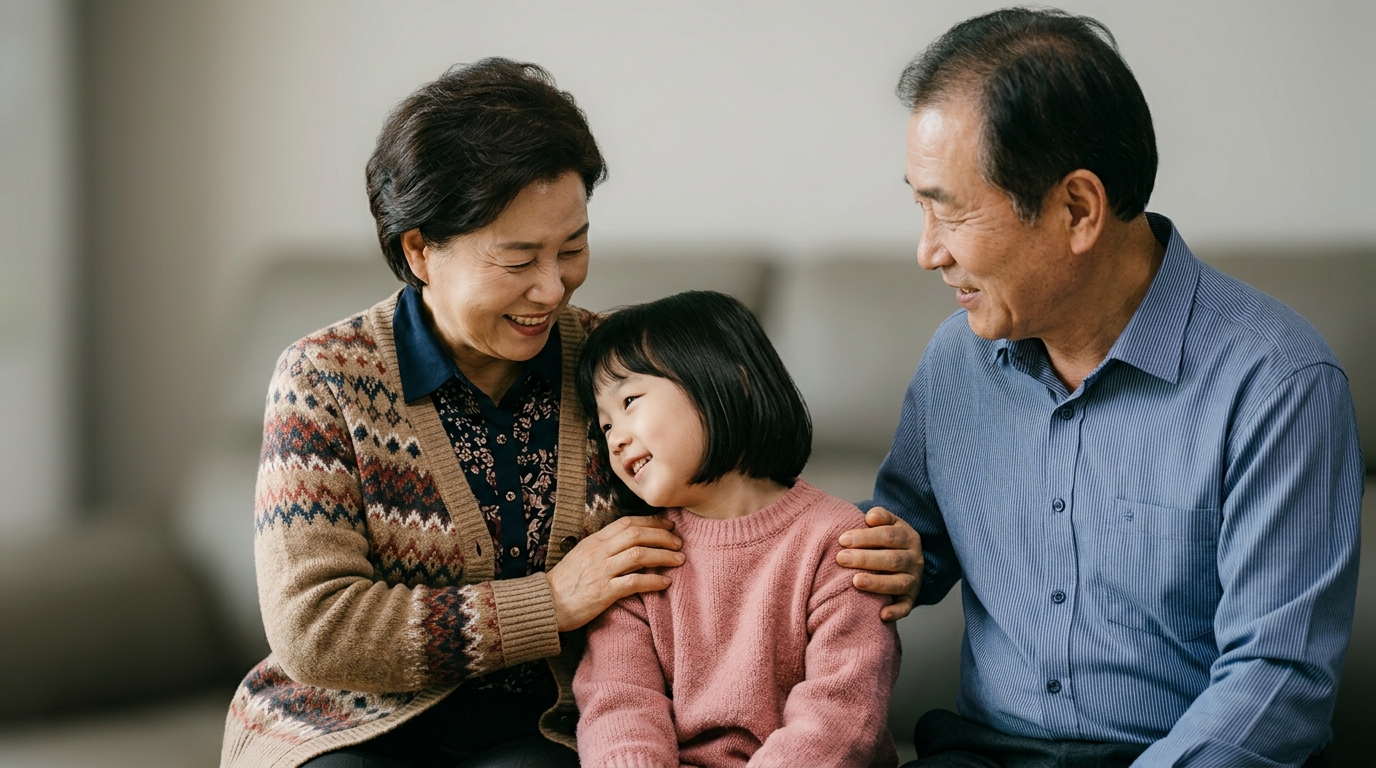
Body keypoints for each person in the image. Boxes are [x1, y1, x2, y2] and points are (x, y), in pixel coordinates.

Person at [219, 59, 923, 768]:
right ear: (420, 250)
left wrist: (876, 546)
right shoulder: (325, 378)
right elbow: (315, 628)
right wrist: (547, 602)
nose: (552, 288)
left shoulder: (616, 368)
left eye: (573, 248)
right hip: (347, 725)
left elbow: (735, 498)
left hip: (547, 728)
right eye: (518, 258)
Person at [872, 8, 1364, 767]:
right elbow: (911, 544)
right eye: (920, 204)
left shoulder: (1277, 382)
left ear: (1077, 209)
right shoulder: (956, 361)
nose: (926, 251)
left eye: (952, 210)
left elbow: (1279, 681)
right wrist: (895, 555)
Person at [572, 291, 900, 767]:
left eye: (630, 401)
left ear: (733, 383)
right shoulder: (637, 552)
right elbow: (619, 702)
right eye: (604, 426)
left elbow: (839, 717)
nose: (616, 437)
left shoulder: (837, 542)